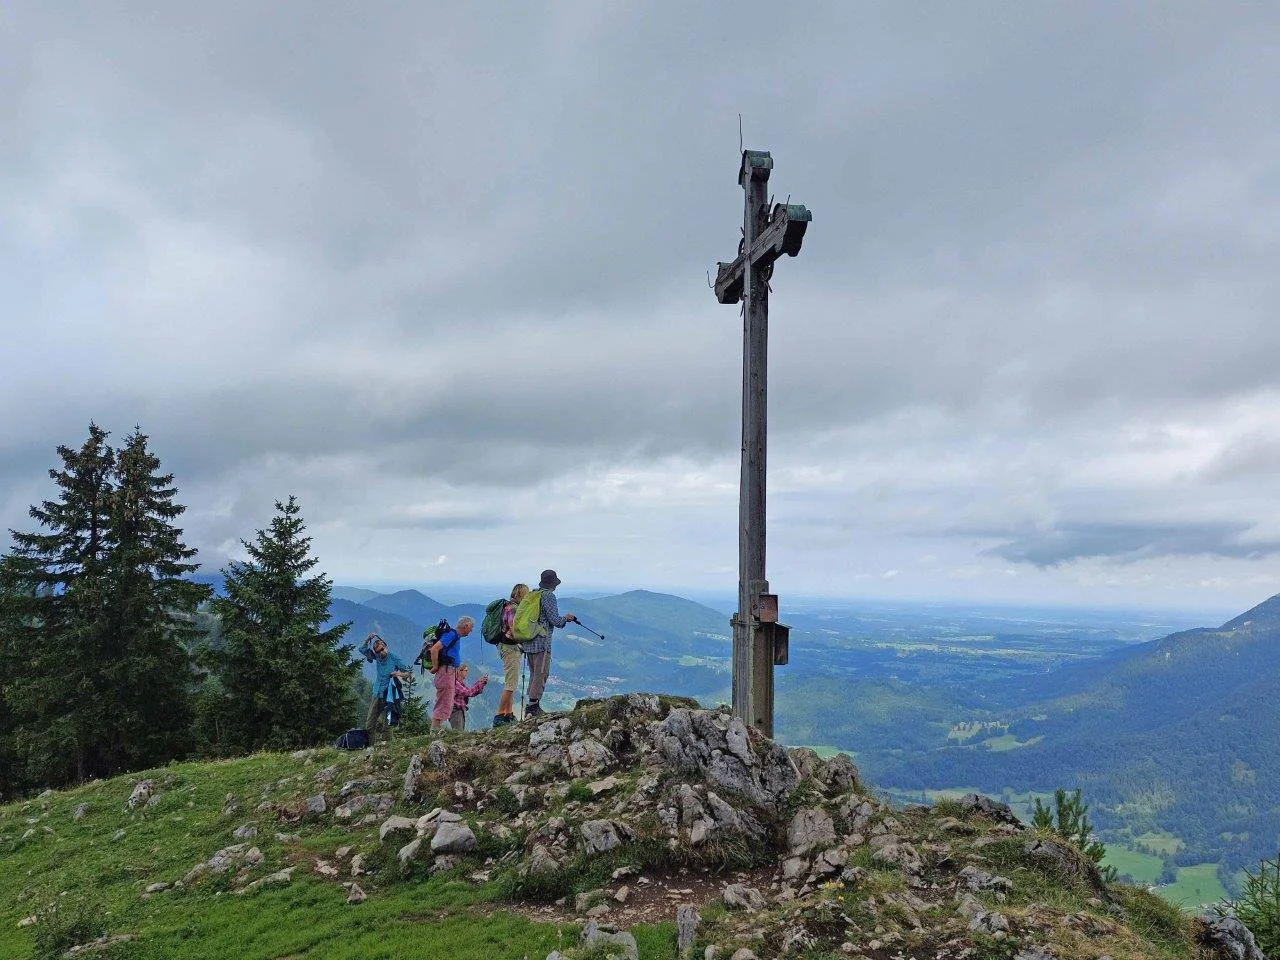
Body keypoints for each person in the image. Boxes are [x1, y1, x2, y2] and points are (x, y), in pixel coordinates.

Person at [522, 569, 576, 717]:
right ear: (553, 583)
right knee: (541, 673)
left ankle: (531, 705)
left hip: (528, 641)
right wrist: (566, 618)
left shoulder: (534, 594)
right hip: (541, 643)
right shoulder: (549, 596)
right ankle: (533, 708)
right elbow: (555, 620)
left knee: (534, 673)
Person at [363, 633, 412, 744]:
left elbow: (408, 673)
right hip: (376, 694)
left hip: (388, 695)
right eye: (378, 651)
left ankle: (387, 749)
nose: (381, 652)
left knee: (387, 725)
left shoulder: (394, 658)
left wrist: (398, 674)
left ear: (386, 647)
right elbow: (363, 650)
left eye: (382, 649)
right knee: (369, 725)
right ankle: (369, 748)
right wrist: (368, 639)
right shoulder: (377, 657)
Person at [428, 616, 474, 731]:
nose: (471, 631)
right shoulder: (452, 635)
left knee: (446, 701)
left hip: (449, 671)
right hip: (446, 671)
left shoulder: (455, 636)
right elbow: (434, 649)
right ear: (466, 625)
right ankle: (434, 731)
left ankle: (436, 730)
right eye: (471, 628)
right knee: (443, 701)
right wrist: (435, 666)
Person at [492, 583, 528, 727]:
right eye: (526, 594)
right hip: (510, 648)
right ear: (521, 594)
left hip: (506, 646)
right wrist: (524, 642)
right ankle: (500, 715)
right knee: (510, 683)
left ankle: (508, 713)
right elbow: (514, 631)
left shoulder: (508, 606)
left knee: (511, 682)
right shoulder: (513, 609)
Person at [450, 664, 489, 731]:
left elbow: (471, 692)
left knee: (460, 731)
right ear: (459, 671)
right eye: (466, 670)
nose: (467, 673)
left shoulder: (460, 683)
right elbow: (469, 692)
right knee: (458, 732)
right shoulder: (455, 683)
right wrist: (479, 682)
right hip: (455, 710)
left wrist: (481, 683)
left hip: (459, 710)